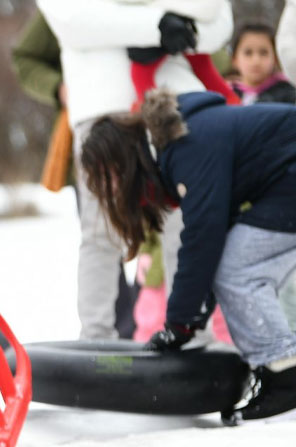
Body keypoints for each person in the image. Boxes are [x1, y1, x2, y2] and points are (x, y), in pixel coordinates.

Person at [80, 88, 296, 420]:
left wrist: (179, 322)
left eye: (108, 176)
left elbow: (203, 237)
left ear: (124, 158)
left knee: (237, 269)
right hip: (283, 184)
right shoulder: (179, 145)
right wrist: (190, 318)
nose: (109, 189)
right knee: (232, 263)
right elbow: (212, 238)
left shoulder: (187, 146)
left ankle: (285, 374)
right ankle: (280, 370)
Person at [38, 0, 233, 341]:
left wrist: (182, 30)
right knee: (101, 232)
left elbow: (218, 20)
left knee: (188, 227)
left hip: (175, 99)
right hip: (102, 108)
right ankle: (96, 342)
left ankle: (194, 334)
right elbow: (73, 19)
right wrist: (159, 24)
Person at [229, 23, 296, 105]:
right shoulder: (227, 94)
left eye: (263, 53)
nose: (256, 61)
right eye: (248, 53)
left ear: (275, 59)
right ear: (235, 60)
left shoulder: (288, 93)